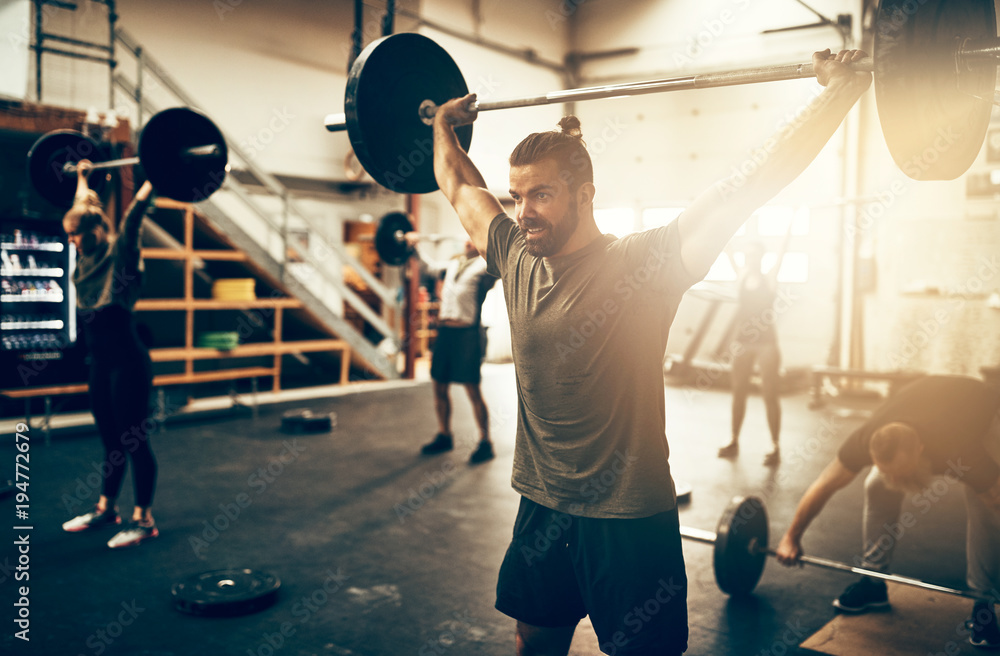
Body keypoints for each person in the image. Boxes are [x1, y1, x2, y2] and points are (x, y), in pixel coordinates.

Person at [432, 48, 871, 656]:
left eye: (542, 196)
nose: (525, 212)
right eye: (517, 196)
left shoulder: (642, 265)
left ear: (584, 194)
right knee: (533, 640)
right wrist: (440, 126)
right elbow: (458, 185)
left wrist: (838, 93)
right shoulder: (514, 254)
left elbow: (750, 185)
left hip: (629, 517)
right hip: (543, 505)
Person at [776, 375, 1000, 649]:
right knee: (877, 485)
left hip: (985, 409)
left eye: (900, 473)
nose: (895, 481)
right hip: (925, 399)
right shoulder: (865, 439)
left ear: (920, 450)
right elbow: (824, 485)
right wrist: (791, 536)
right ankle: (873, 582)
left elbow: (996, 501)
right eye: (888, 471)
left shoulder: (961, 448)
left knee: (985, 506)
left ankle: (983, 604)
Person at [60, 160, 159, 549]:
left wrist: (156, 177)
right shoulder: (85, 251)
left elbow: (133, 217)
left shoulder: (120, 255)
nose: (71, 242)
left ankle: (144, 520)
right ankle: (107, 509)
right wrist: (83, 178)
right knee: (109, 439)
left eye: (75, 236)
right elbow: (83, 207)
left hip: (128, 363)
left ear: (96, 232)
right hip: (100, 362)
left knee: (134, 439)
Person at [407, 233, 497, 464]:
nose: (469, 240)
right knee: (439, 385)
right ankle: (444, 434)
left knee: (472, 389)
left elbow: (501, 265)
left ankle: (486, 442)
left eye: (474, 238)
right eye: (467, 237)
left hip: (467, 334)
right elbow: (428, 268)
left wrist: (491, 245)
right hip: (445, 333)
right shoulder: (452, 264)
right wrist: (413, 246)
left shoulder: (486, 269)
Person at [717, 223, 794, 466]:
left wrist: (790, 223)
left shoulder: (769, 278)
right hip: (742, 342)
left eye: (754, 255)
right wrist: (724, 220)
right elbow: (727, 248)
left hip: (766, 344)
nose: (750, 259)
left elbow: (783, 250)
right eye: (747, 255)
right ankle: (733, 440)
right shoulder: (740, 276)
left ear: (761, 257)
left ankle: (775, 446)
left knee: (770, 394)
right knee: (738, 393)